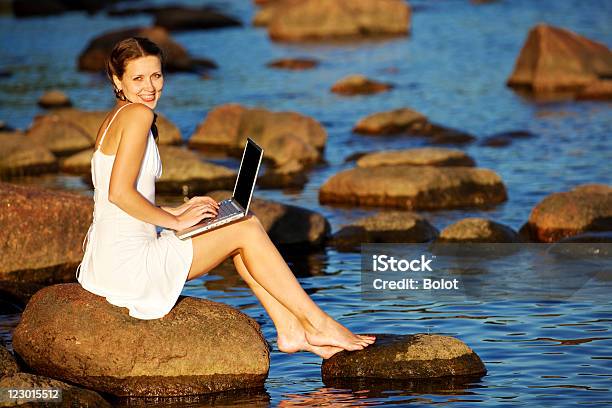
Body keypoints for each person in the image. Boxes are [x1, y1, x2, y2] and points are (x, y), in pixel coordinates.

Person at [76, 37, 375, 359]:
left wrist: (179, 209)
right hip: (129, 266)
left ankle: (289, 329)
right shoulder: (137, 116)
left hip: (108, 259)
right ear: (117, 79)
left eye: (156, 76)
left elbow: (115, 199)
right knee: (245, 229)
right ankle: (318, 324)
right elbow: (118, 193)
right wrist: (175, 222)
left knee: (242, 225)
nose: (150, 87)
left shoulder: (115, 117)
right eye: (138, 78)